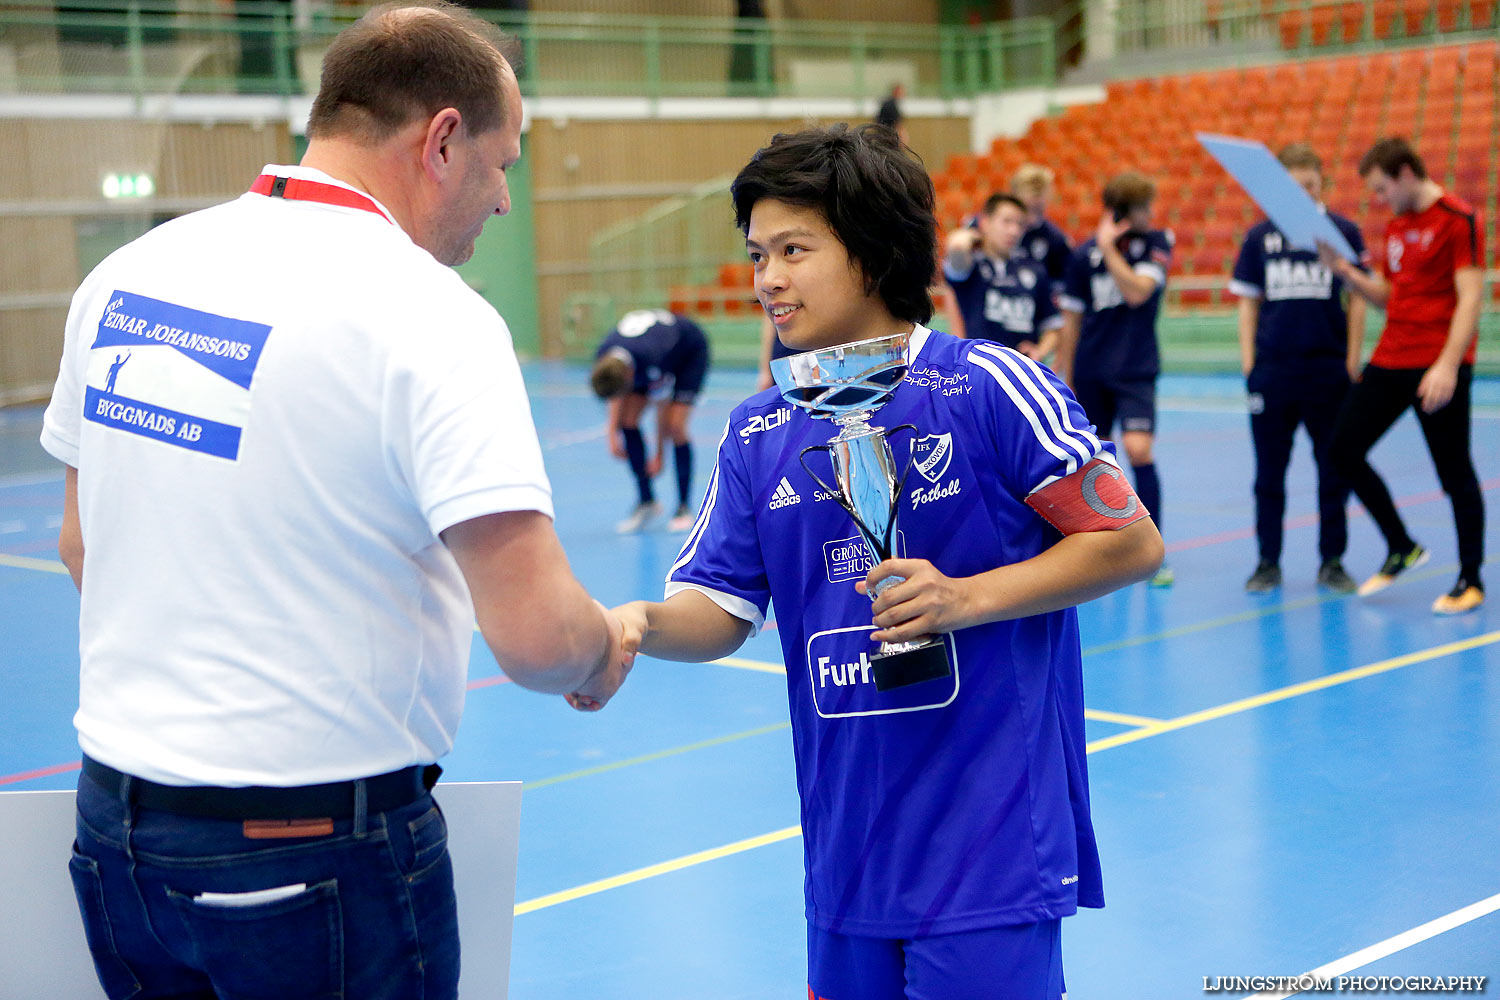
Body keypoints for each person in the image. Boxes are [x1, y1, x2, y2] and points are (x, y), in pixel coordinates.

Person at [40, 5, 631, 999]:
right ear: (442, 139)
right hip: (309, 852)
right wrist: (603, 644)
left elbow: (80, 543)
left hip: (115, 835)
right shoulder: (432, 315)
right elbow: (536, 636)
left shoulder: (126, 274)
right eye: (503, 164)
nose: (501, 203)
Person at [610, 124, 1163, 1000]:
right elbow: (718, 610)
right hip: (846, 863)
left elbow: (1129, 539)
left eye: (794, 249)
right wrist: (632, 625)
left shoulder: (987, 385)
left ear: (871, 253)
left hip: (990, 852)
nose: (768, 281)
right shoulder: (760, 430)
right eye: (758, 256)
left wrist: (965, 599)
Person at [1320, 136, 1486, 613]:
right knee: (1342, 451)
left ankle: (1470, 578)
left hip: (1438, 364)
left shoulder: (1460, 220)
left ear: (1406, 175)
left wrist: (1448, 365)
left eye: (1381, 189)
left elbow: (1471, 298)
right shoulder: (1396, 227)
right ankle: (1401, 544)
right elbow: (1392, 298)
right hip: (1392, 356)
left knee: (1454, 472)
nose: (1379, 200)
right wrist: (1346, 273)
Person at [1230, 143, 1365, 593]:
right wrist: (1250, 362)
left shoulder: (1342, 231)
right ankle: (1267, 561)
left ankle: (1333, 560)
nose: (1300, 194)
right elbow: (1248, 305)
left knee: (1333, 468)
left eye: (1308, 185)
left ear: (1320, 184)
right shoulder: (1259, 238)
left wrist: (1352, 359)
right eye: (1291, 187)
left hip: (1328, 372)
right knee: (1269, 473)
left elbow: (1358, 298)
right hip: (1273, 373)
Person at [1053, 171, 1176, 587]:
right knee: (1091, 463)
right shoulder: (1081, 256)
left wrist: (1108, 248)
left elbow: (1138, 291)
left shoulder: (1156, 244)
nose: (1151, 213)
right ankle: (1100, 547)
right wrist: (1065, 374)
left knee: (1139, 450)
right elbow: (1071, 320)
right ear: (1123, 212)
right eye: (1143, 207)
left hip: (1136, 368)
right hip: (1092, 369)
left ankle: (1152, 549)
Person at [589, 308, 711, 533]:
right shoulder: (605, 356)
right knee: (627, 421)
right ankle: (647, 501)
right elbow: (617, 394)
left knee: (676, 427)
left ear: (630, 376)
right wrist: (611, 433)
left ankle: (683, 507)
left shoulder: (652, 356)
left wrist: (659, 455)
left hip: (689, 351)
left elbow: (661, 405)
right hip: (643, 358)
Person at [943, 191, 1062, 357]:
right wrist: (976, 235)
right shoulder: (972, 265)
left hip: (1019, 369)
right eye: (1006, 222)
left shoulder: (1035, 270)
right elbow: (957, 245)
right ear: (985, 222)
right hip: (978, 367)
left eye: (1020, 225)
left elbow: (1053, 327)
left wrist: (1039, 351)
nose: (1014, 231)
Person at [1011, 163, 1073, 297]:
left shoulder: (1055, 239)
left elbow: (1064, 282)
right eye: (1027, 209)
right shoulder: (991, 228)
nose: (1031, 219)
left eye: (1038, 210)